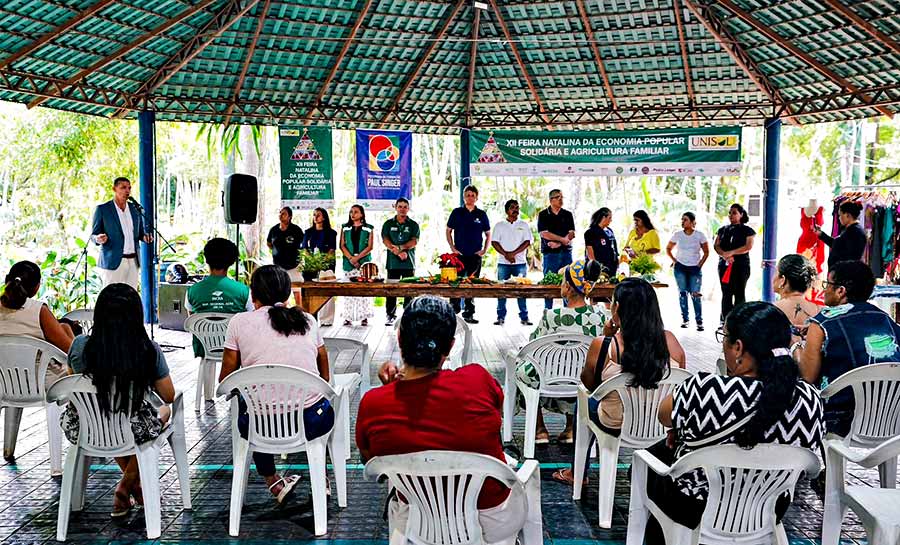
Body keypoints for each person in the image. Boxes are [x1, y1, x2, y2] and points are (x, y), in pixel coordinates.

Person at [638, 302, 823, 545]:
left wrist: (682, 429)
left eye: (724, 337)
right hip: (768, 507)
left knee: (650, 465)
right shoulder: (810, 399)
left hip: (697, 507)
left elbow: (663, 415)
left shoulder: (704, 388)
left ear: (738, 347)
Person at [356, 296, 522, 545]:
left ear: (400, 339)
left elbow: (371, 462)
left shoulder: (374, 403)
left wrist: (391, 391)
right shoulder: (477, 379)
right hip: (490, 519)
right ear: (451, 345)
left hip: (416, 519)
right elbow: (493, 420)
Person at [552, 277, 686, 485]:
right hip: (659, 423)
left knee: (583, 401)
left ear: (617, 308)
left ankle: (577, 472)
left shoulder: (605, 345)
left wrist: (607, 336)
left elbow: (590, 385)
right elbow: (678, 388)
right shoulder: (671, 341)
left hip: (616, 421)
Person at [220, 265, 334, 504]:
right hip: (310, 421)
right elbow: (324, 373)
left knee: (252, 402)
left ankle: (273, 481)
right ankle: (320, 477)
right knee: (318, 404)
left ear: (253, 295)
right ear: (287, 293)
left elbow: (225, 381)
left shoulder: (239, 323)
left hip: (257, 425)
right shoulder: (307, 320)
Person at [65, 283, 174, 518]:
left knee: (108, 413)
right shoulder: (147, 349)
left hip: (86, 428)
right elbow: (169, 395)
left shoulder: (79, 345)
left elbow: (71, 385)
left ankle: (133, 487)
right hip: (128, 427)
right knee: (163, 412)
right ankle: (127, 486)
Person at [795, 260, 900, 436]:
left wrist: (797, 346)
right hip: (891, 419)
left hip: (841, 421)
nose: (824, 289)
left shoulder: (822, 320)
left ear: (841, 291)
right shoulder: (885, 318)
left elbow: (808, 377)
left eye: (827, 284)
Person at [517, 260, 607, 445]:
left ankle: (539, 429)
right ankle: (571, 428)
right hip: (585, 378)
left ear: (568, 287)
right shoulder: (600, 315)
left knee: (522, 369)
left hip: (550, 378)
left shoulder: (551, 316)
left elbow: (533, 345)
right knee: (575, 367)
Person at [185, 238, 253, 359]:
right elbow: (249, 320)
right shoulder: (244, 291)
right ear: (232, 262)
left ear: (206, 259)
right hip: (235, 349)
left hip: (204, 348)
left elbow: (192, 320)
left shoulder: (192, 291)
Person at [0, 261, 75, 354]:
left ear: (6, 280)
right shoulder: (39, 311)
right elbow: (70, 351)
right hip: (39, 368)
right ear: (37, 287)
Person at [91, 176, 152, 288]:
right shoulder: (103, 209)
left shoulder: (135, 209)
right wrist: (98, 239)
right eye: (123, 187)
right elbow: (93, 235)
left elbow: (140, 233)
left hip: (133, 261)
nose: (127, 191)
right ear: (114, 189)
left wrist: (144, 237)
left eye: (129, 188)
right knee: (111, 297)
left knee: (130, 297)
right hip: (113, 261)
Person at [446, 185, 491, 323]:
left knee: (472, 284)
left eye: (472, 195)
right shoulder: (457, 212)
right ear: (464, 197)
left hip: (475, 255)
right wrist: (453, 248)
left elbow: (488, 234)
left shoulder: (481, 214)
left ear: (476, 197)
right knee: (455, 283)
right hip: (458, 255)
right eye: (467, 195)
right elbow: (448, 231)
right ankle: (453, 310)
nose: (470, 197)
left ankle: (469, 312)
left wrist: (484, 250)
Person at [491, 199, 532, 326]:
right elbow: (494, 242)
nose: (516, 210)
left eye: (517, 207)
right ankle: (500, 317)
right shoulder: (499, 225)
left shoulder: (524, 224)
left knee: (522, 291)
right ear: (507, 210)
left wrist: (513, 254)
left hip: (520, 263)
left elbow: (527, 242)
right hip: (503, 263)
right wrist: (506, 255)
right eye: (513, 207)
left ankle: (524, 317)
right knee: (501, 291)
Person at [666, 212, 709, 331]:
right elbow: (668, 248)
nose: (682, 222)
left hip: (694, 268)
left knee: (695, 294)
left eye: (685, 220)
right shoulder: (678, 235)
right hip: (680, 268)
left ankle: (699, 321)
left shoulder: (699, 235)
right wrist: (674, 261)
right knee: (682, 293)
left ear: (692, 222)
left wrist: (699, 264)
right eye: (682, 220)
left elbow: (706, 252)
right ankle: (685, 319)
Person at [714, 203, 755, 325]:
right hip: (724, 265)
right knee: (726, 292)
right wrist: (724, 255)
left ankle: (740, 320)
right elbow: (716, 245)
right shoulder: (723, 230)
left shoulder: (747, 230)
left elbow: (748, 246)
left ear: (741, 215)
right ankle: (725, 319)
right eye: (730, 213)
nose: (731, 215)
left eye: (734, 213)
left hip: (741, 265)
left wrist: (732, 253)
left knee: (739, 292)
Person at [381, 198, 420, 326]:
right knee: (391, 289)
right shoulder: (388, 224)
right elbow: (385, 240)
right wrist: (397, 252)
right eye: (400, 206)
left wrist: (401, 248)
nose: (402, 209)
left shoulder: (413, 225)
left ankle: (408, 316)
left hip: (408, 263)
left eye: (405, 207)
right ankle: (390, 315)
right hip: (393, 263)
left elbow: (414, 241)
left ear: (408, 209)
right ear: (396, 207)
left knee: (408, 290)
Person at [537, 189, 576, 309]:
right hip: (550, 254)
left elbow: (571, 234)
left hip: (566, 253)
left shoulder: (567, 214)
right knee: (549, 282)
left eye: (562, 197)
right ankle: (547, 311)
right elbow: (544, 234)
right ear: (551, 200)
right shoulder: (543, 214)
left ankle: (567, 310)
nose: (561, 199)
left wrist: (560, 243)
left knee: (568, 281)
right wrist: (562, 240)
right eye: (558, 197)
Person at [302, 207, 338, 325]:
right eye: (314, 214)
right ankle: (310, 318)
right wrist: (313, 262)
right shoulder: (308, 232)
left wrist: (321, 263)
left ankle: (326, 320)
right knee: (311, 292)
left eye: (318, 214)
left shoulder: (331, 233)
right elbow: (305, 250)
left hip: (326, 267)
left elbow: (331, 250)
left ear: (324, 217)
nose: (315, 217)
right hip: (310, 267)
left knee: (326, 292)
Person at [340, 204, 374, 326]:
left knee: (364, 290)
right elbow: (342, 245)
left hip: (363, 262)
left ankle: (364, 317)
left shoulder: (369, 228)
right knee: (348, 289)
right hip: (348, 263)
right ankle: (348, 316)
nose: (352, 214)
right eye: (351, 212)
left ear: (362, 214)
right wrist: (351, 258)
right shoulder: (345, 227)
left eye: (355, 212)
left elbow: (370, 246)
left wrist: (357, 258)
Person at [772, 254, 819, 343]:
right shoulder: (820, 311)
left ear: (783, 280)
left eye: (775, 272)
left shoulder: (769, 310)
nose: (773, 277)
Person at [815, 201, 866, 270]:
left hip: (844, 274)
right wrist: (821, 234)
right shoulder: (851, 230)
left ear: (848, 215)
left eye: (840, 215)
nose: (839, 218)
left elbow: (849, 257)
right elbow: (837, 245)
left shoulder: (855, 232)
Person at [266, 206, 305, 283]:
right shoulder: (273, 230)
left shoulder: (296, 230)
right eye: (280, 213)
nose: (280, 215)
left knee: (297, 292)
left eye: (283, 214)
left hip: (294, 267)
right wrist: (277, 251)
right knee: (279, 290)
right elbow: (269, 243)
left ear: (289, 217)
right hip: (278, 267)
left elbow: (303, 245)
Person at [584, 207, 618, 279]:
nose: (611, 220)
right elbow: (590, 253)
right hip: (599, 270)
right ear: (603, 217)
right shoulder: (590, 232)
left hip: (611, 268)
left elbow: (614, 248)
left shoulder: (609, 231)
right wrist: (596, 269)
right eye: (609, 218)